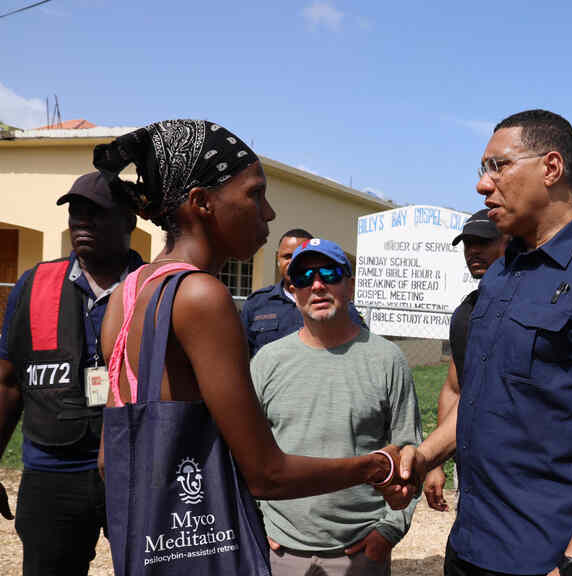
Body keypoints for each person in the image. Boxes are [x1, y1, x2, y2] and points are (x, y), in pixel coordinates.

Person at [92, 119, 416, 567]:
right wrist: (377, 465)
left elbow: (112, 456)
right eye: (254, 194)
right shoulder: (202, 296)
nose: (268, 213)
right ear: (201, 202)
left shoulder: (129, 292)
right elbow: (267, 475)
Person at [393, 109, 572, 576]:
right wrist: (426, 454)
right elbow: (484, 397)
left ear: (551, 168)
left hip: (547, 555)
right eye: (484, 170)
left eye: (498, 166)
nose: (483, 185)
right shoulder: (502, 272)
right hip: (473, 543)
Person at [0, 172, 144, 575]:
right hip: (53, 470)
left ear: (129, 222)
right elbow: (7, 382)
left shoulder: (153, 287)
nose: (82, 223)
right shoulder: (35, 284)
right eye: (76, 214)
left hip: (137, 473)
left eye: (96, 214)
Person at [250, 237, 422, 575]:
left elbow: (408, 449)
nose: (317, 285)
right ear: (292, 290)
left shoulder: (387, 359)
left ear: (351, 285)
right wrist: (257, 521)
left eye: (330, 273)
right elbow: (246, 451)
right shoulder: (267, 361)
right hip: (282, 551)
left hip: (360, 552)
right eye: (303, 278)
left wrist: (387, 532)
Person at [421, 208, 506, 512]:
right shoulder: (465, 313)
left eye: (483, 242)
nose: (474, 252)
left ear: (506, 242)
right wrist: (435, 463)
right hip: (470, 464)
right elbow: (455, 389)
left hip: (517, 468)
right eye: (468, 244)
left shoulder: (526, 308)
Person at [242, 228, 364, 357]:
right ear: (278, 260)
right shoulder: (257, 303)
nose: (291, 261)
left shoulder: (341, 308)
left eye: (297, 256)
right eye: (287, 256)